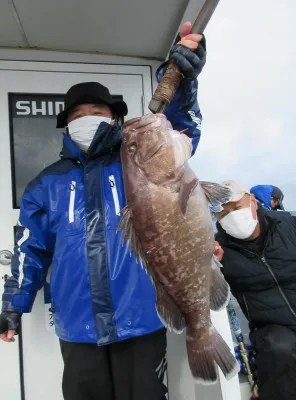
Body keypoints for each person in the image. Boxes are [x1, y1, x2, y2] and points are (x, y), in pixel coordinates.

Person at [0, 22, 206, 400]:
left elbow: (177, 130)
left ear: (114, 117)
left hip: (141, 318)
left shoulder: (138, 160)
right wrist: (13, 303)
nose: (86, 119)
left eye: (96, 110)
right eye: (77, 115)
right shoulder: (46, 184)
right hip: (76, 324)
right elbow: (29, 248)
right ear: (66, 126)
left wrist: (181, 77)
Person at [214, 180, 296, 400]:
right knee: (278, 349)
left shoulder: (289, 225)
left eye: (236, 207)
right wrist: (209, 265)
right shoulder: (220, 250)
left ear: (252, 201)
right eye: (223, 213)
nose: (231, 215)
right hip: (274, 330)